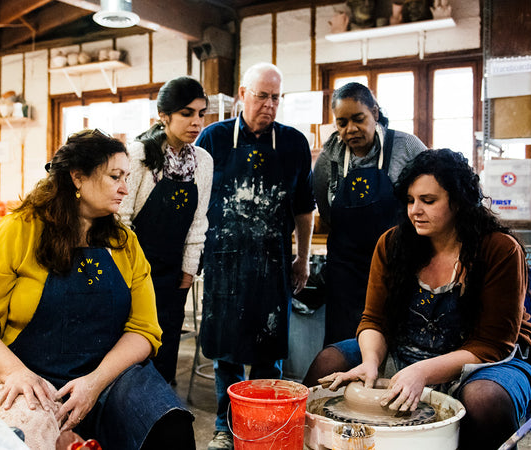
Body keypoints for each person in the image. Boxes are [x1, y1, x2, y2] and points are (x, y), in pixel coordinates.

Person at [0, 130, 195, 450]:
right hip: (30, 377)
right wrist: (14, 373)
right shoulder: (20, 231)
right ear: (78, 178)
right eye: (114, 176)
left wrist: (95, 383)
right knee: (29, 434)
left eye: (126, 177)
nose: (124, 188)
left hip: (107, 377)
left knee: (170, 426)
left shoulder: (125, 243)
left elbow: (144, 330)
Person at [304, 149, 531, 450]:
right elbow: (374, 320)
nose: (415, 210)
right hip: (405, 348)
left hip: (485, 362)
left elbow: (493, 345)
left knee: (484, 399)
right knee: (329, 362)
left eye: (428, 201)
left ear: (458, 201)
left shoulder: (499, 250)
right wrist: (370, 362)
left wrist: (422, 371)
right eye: (410, 200)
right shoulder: (393, 244)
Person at [195, 62, 315, 449]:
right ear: (242, 96)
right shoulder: (213, 139)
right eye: (261, 96)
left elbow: (303, 208)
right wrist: (191, 254)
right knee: (225, 354)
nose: (269, 105)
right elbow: (195, 205)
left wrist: (303, 258)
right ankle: (224, 427)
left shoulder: (294, 143)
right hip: (223, 262)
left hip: (272, 264)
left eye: (276, 97)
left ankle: (263, 426)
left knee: (268, 353)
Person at [311, 82, 426, 346]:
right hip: (346, 274)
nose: (350, 129)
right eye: (341, 123)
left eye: (358, 119)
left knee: (396, 347)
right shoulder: (329, 158)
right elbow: (326, 210)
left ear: (375, 112)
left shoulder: (407, 148)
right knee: (343, 348)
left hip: (397, 267)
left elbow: (434, 195)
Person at [120, 76, 213, 384]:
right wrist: (128, 272)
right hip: (135, 270)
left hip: (173, 273)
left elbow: (198, 222)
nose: (196, 122)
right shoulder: (139, 155)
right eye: (187, 113)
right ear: (164, 115)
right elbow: (122, 219)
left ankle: (162, 411)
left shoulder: (203, 161)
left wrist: (188, 270)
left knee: (166, 344)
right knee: (132, 347)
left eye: (201, 113)